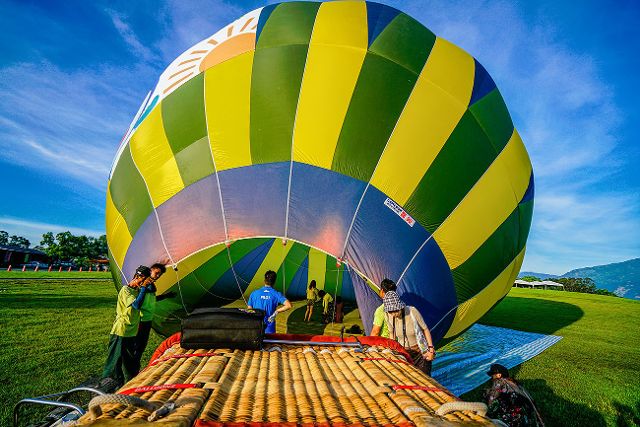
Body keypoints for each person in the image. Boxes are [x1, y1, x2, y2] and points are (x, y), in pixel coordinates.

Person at [102, 265, 149, 386]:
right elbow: (136, 305)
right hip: (121, 331)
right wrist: (143, 288)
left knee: (130, 362)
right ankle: (110, 385)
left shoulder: (138, 291)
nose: (143, 284)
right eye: (142, 280)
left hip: (131, 332)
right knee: (114, 362)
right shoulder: (126, 290)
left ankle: (130, 383)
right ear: (137, 277)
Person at [383, 290, 436, 375]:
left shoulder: (412, 311)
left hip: (420, 353)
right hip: (404, 353)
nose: (394, 314)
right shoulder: (387, 315)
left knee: (425, 379)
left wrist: (431, 349)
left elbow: (425, 329)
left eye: (396, 310)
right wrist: (391, 350)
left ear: (400, 306)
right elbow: (392, 333)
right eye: (391, 311)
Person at [131, 263, 171, 373]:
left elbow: (150, 300)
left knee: (141, 347)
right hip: (141, 319)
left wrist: (166, 296)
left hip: (147, 320)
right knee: (137, 346)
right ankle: (131, 370)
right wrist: (144, 286)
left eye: (160, 274)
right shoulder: (144, 284)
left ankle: (134, 369)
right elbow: (138, 301)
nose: (158, 276)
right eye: (156, 273)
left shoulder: (150, 285)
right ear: (150, 271)